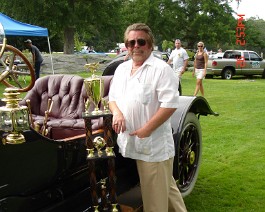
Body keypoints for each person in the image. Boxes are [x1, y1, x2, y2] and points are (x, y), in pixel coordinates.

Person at [108, 23, 187, 212]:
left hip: (153, 146)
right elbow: (112, 98)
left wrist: (147, 129)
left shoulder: (161, 69)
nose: (135, 46)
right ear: (126, 46)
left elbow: (169, 104)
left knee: (154, 203)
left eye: (140, 41)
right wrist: (117, 113)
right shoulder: (121, 70)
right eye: (130, 42)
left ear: (150, 44)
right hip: (133, 142)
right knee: (166, 189)